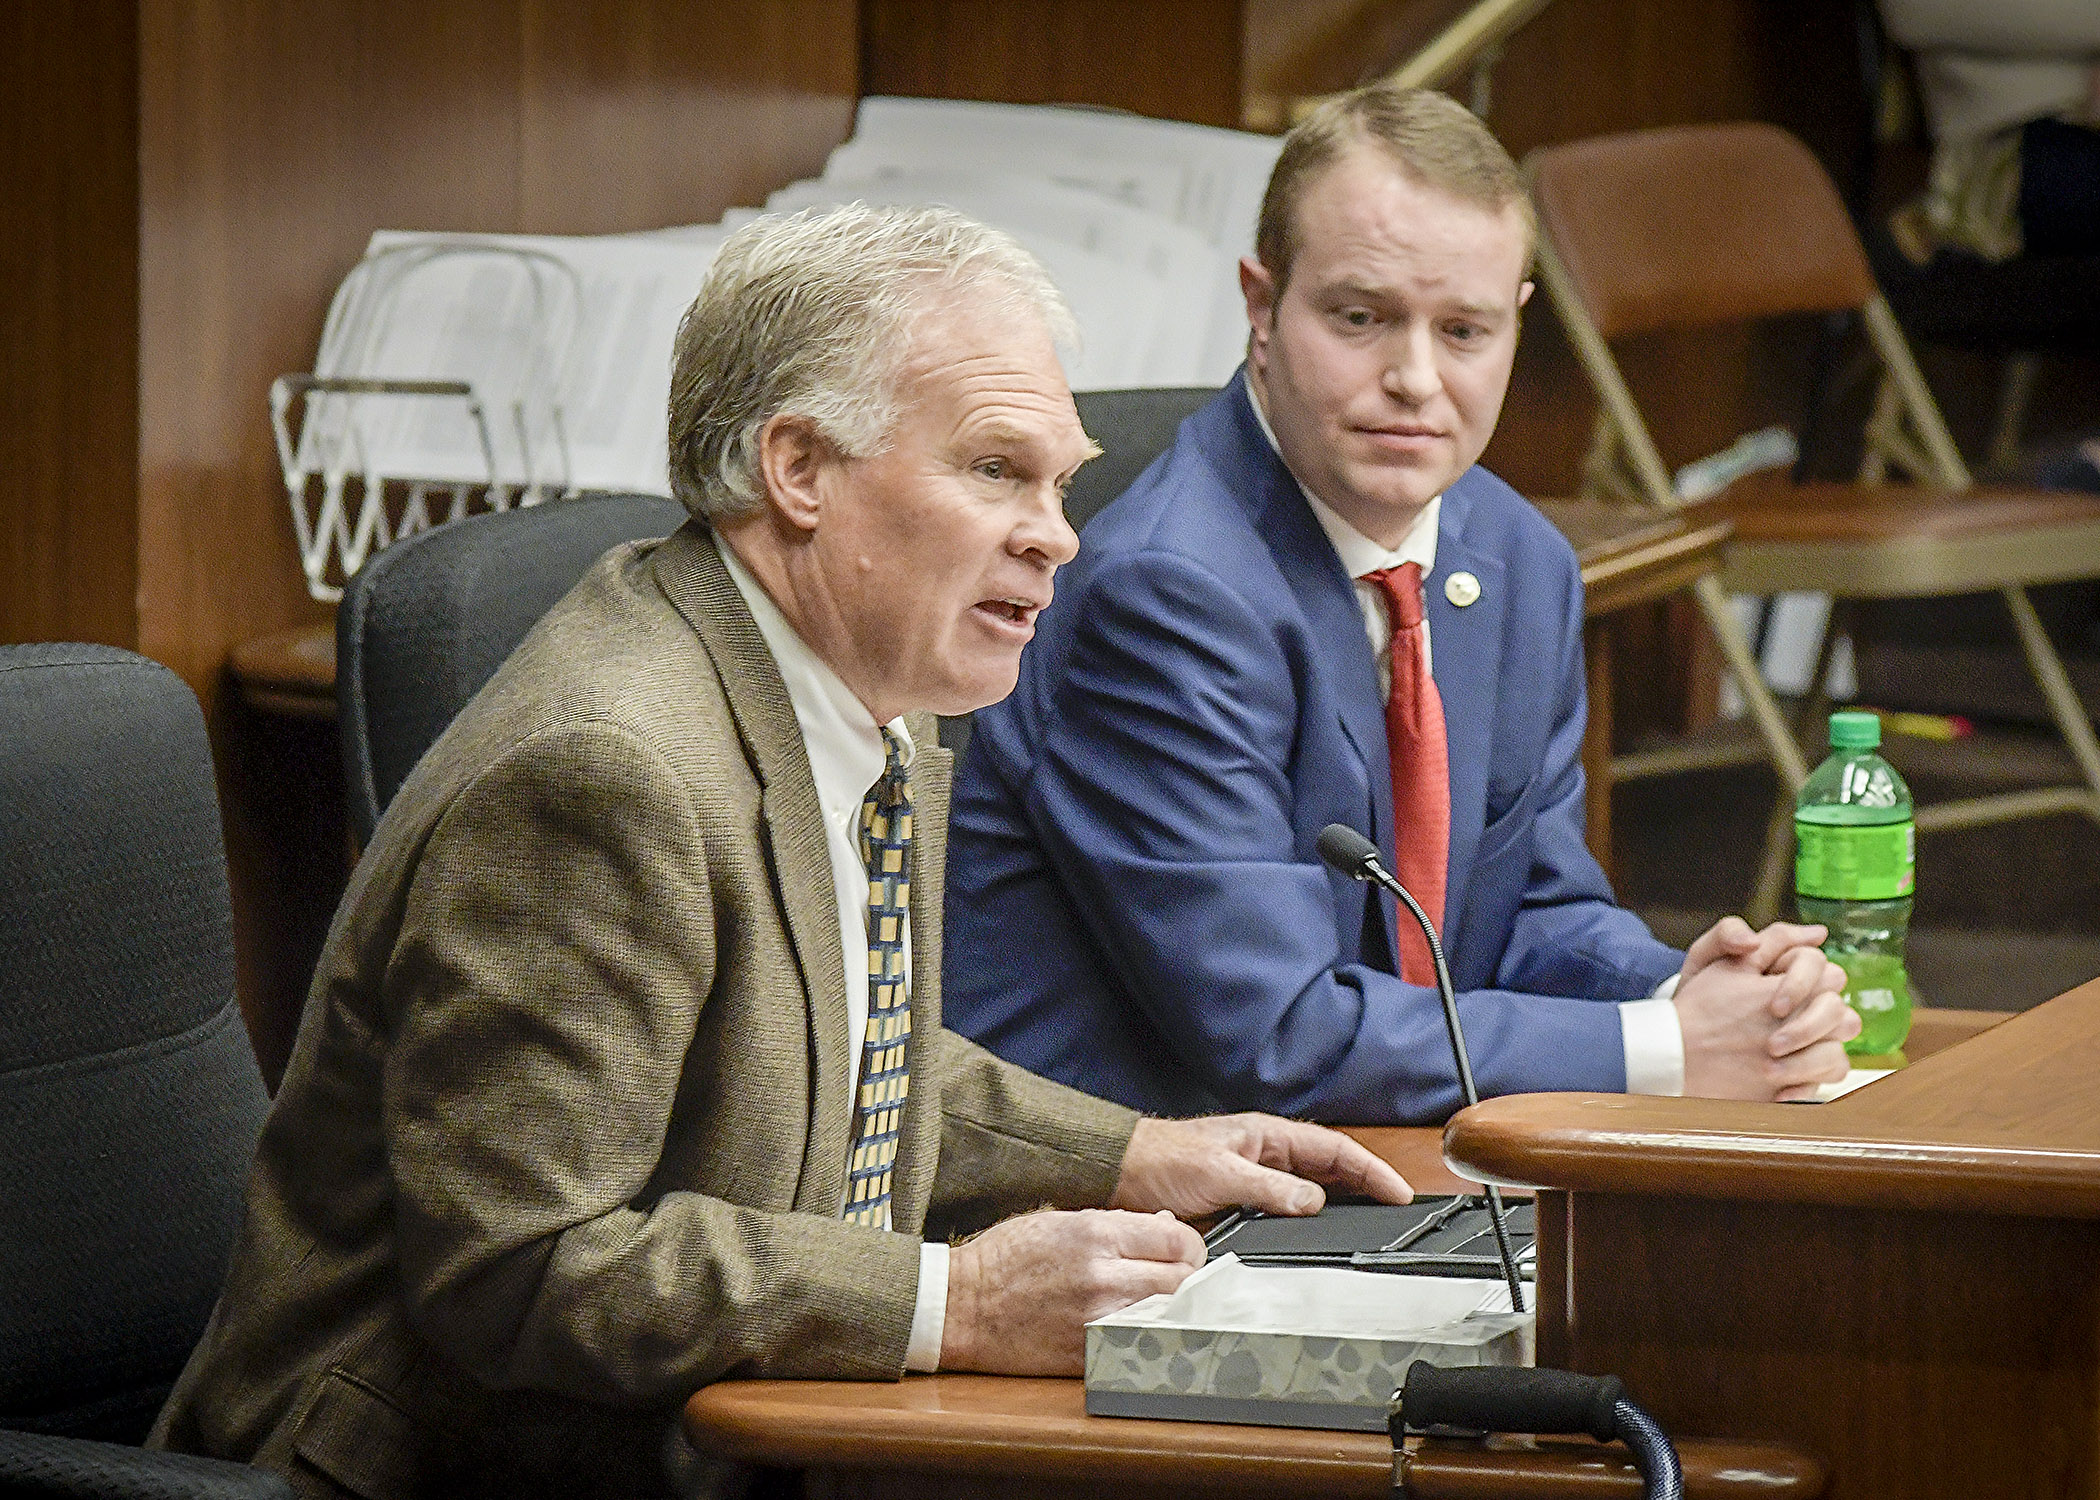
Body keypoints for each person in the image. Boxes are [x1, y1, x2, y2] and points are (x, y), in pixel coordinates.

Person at [150, 205, 1407, 1499]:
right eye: (994, 470)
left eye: (1061, 483)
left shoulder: (867, 694)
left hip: (741, 1433)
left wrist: (1130, 1153)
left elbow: (833, 1041)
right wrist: (956, 1298)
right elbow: (520, 1270)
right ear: (798, 467)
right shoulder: (606, 776)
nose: (1057, 535)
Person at [942, 85, 1860, 1127]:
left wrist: (1688, 997)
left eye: (1463, 330)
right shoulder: (1167, 591)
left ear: (1515, 326)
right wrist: (1665, 1051)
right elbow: (1276, 1033)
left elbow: (1534, 914)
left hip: (1375, 1159)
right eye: (1362, 318)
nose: (1415, 379)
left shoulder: (1518, 560)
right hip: (1145, 1209)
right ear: (1261, 305)